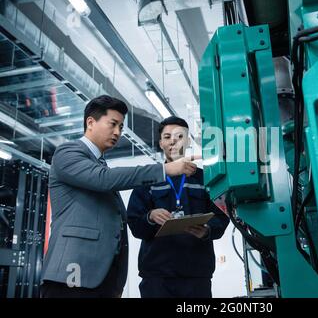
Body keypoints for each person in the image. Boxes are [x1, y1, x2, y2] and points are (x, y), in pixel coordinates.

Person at [40, 95, 197, 298]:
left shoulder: (99, 164)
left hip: (103, 279)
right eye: (113, 124)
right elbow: (104, 179)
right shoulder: (68, 153)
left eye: (121, 127)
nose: (118, 132)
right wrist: (165, 170)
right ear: (90, 122)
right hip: (73, 274)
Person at [127, 116, 229, 298]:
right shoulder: (148, 179)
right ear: (160, 143)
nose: (173, 141)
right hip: (157, 277)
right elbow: (135, 223)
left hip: (197, 275)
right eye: (167, 137)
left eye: (179, 136)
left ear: (188, 140)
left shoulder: (205, 179)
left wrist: (207, 231)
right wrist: (150, 217)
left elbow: (222, 216)